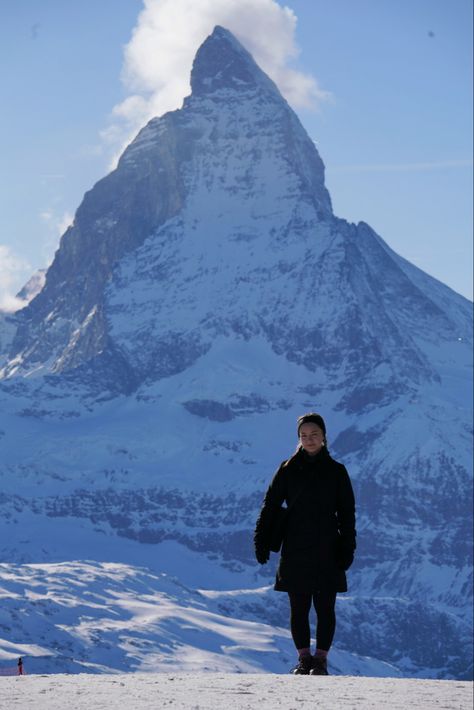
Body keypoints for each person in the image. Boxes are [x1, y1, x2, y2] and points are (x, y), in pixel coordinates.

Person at [254, 413, 356, 675]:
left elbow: (347, 513)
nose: (309, 440)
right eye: (303, 435)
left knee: (325, 608)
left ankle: (320, 661)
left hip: (328, 547)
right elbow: (270, 505)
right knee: (298, 607)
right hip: (295, 546)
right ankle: (304, 659)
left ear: (324, 437)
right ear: (298, 439)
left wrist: (347, 546)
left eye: (314, 435)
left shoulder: (337, 472)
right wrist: (261, 540)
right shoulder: (287, 469)